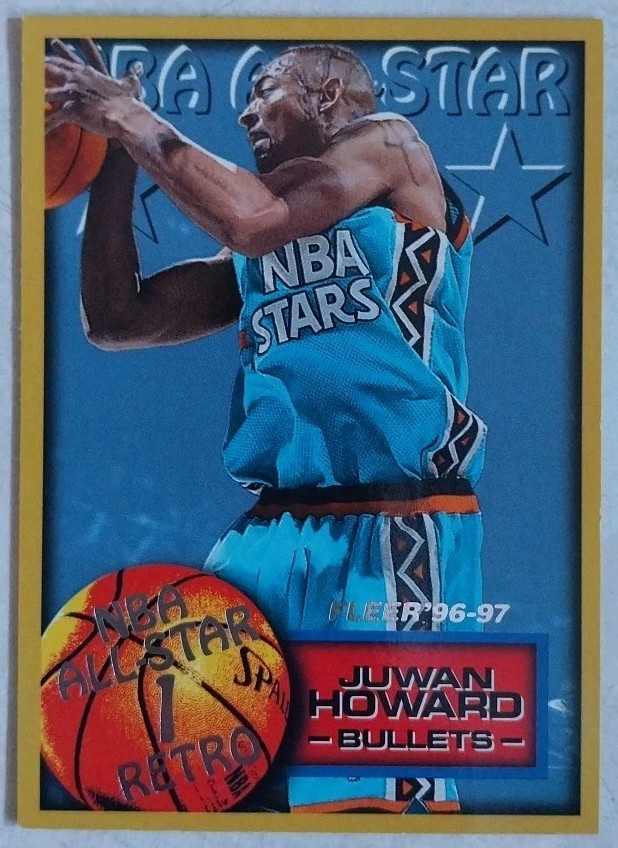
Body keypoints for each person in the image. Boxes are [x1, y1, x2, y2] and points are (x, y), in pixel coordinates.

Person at [46, 38, 487, 814]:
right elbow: (117, 319)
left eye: (266, 90)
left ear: (328, 96)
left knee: (371, 811)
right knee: (211, 788)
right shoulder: (258, 250)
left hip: (390, 527)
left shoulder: (392, 146)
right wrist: (113, 154)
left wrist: (130, 116)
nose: (247, 112)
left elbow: (252, 216)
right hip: (264, 540)